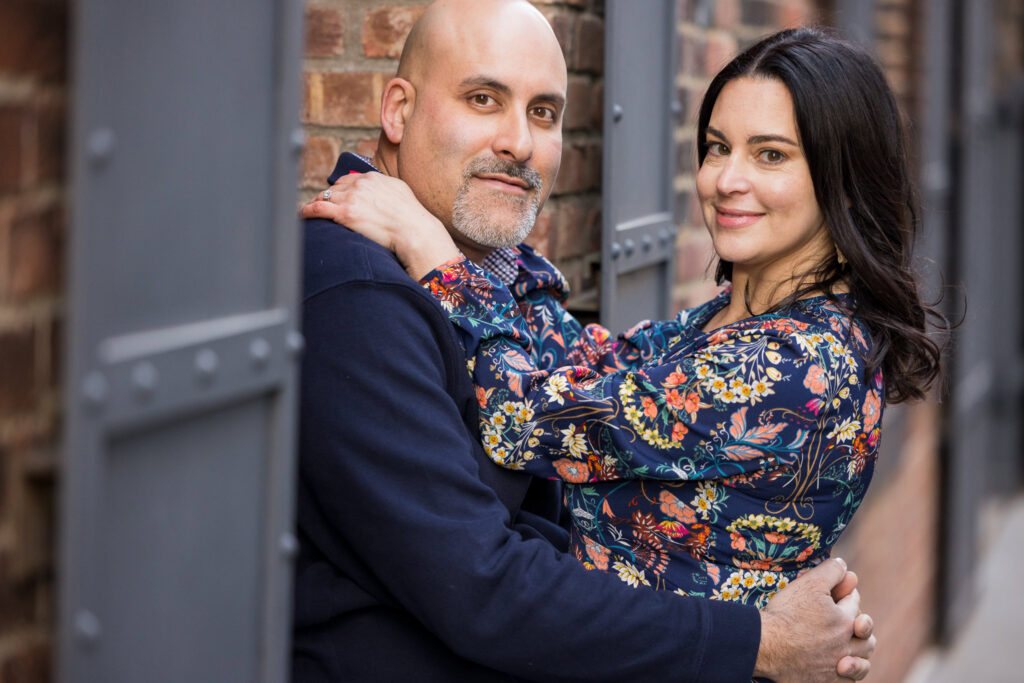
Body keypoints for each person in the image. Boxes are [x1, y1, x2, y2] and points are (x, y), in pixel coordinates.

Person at [296, 3, 876, 680]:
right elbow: (581, 365)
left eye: (543, 112)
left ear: (840, 179)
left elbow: (531, 417)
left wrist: (437, 255)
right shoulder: (361, 293)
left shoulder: (794, 359)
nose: (726, 179)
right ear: (399, 110)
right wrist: (765, 639)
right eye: (483, 99)